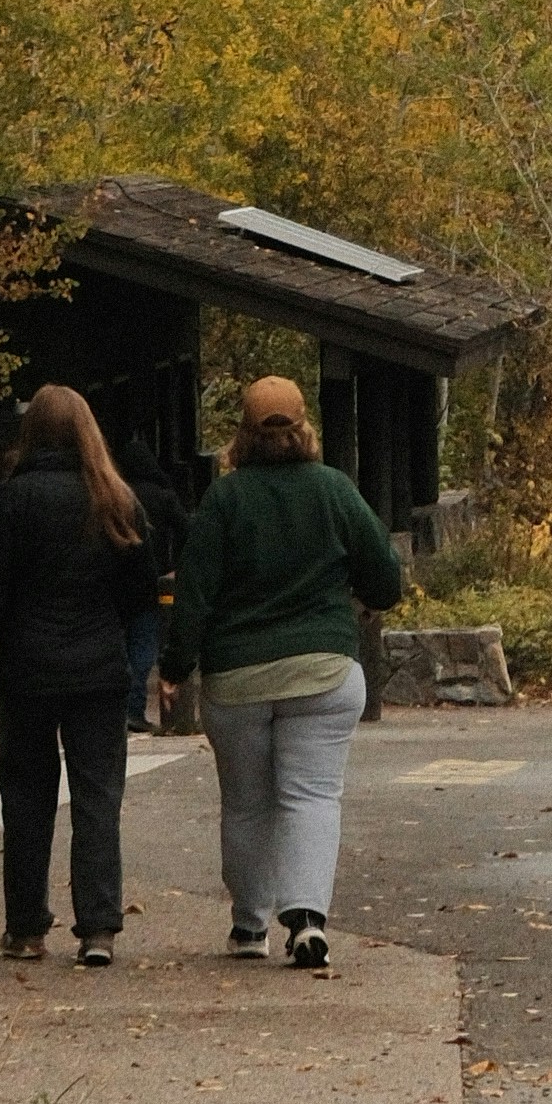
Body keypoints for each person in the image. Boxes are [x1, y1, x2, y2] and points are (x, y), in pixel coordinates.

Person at [161, 370, 407, 969]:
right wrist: (367, 598)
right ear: (305, 431)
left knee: (246, 805)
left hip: (238, 678)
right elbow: (386, 575)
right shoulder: (333, 489)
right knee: (311, 796)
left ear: (241, 437)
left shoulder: (224, 499)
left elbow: (195, 592)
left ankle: (249, 926)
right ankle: (307, 921)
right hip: (324, 672)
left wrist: (174, 665)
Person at [0, 383, 169, 968]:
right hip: (98, 668)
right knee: (97, 797)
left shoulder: (9, 499)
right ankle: (98, 926)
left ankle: (26, 926)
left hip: (28, 667)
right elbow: (140, 590)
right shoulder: (113, 499)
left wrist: (14, 629)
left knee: (26, 797)